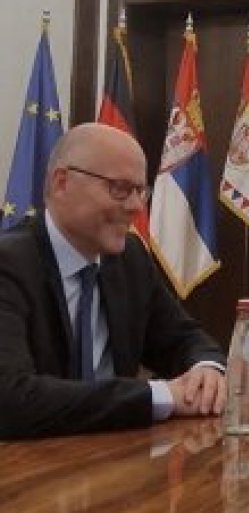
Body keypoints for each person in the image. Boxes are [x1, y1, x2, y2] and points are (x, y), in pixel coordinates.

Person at [0, 123, 226, 439]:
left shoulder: (130, 258)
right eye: (120, 189)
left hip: (117, 455)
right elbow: (11, 399)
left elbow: (182, 338)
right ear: (62, 182)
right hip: (30, 463)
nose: (136, 207)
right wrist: (159, 396)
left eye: (140, 191)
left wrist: (206, 370)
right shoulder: (9, 265)